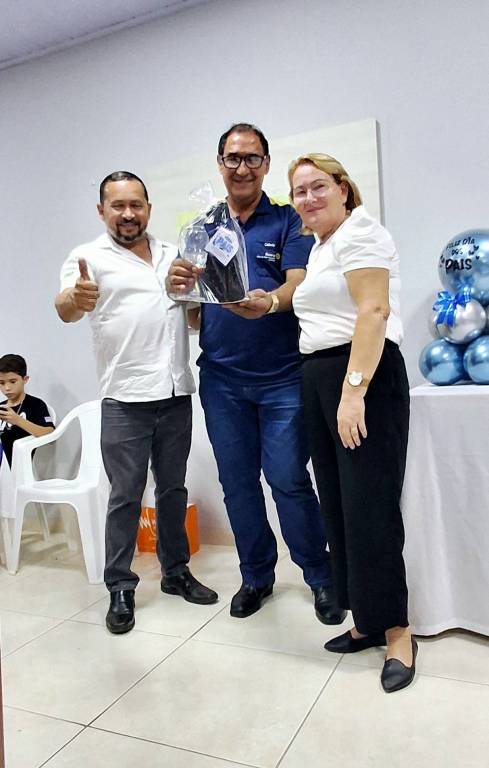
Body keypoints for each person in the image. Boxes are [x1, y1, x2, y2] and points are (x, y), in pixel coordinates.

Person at [167, 124, 343, 624]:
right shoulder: (201, 228)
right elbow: (193, 313)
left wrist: (268, 304)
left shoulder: (288, 220)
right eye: (233, 158)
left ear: (266, 164)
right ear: (219, 163)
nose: (242, 167)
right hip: (222, 381)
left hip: (284, 377)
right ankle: (256, 576)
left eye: (252, 158)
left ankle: (320, 576)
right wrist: (179, 288)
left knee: (288, 479)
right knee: (238, 484)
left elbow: (297, 285)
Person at [55, 171, 217, 635]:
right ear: (102, 210)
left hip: (175, 391)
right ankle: (121, 587)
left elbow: (191, 319)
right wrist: (77, 298)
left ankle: (176, 572)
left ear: (148, 208)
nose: (128, 214)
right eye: (118, 205)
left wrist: (204, 294)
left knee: (173, 490)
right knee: (125, 496)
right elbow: (66, 308)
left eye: (136, 205)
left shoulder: (173, 253)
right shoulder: (87, 257)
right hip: (124, 398)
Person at [288, 152, 415, 692]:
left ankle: (398, 634)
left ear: (343, 188)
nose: (309, 198)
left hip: (362, 375)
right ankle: (365, 619)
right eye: (299, 191)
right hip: (321, 376)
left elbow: (373, 313)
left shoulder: (361, 232)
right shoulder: (322, 247)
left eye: (318, 186)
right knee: (339, 506)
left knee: (371, 507)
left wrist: (354, 392)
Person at [0, 354, 54, 467]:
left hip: (25, 468)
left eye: (13, 381)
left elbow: (50, 434)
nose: (7, 388)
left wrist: (18, 421)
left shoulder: (35, 404)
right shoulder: (1, 407)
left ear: (25, 379)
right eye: (2, 383)